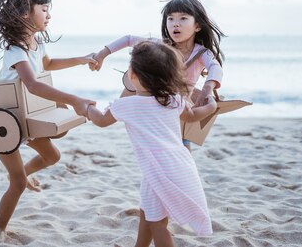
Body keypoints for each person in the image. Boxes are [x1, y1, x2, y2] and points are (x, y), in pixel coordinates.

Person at [76, 41, 215, 247]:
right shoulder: (173, 99)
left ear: (132, 76)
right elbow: (193, 115)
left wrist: (86, 108)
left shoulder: (127, 105)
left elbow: (101, 121)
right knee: (148, 210)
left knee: (158, 224)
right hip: (178, 163)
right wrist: (211, 105)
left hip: (158, 169)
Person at [0, 0, 96, 239]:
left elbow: (48, 63)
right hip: (4, 121)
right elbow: (33, 85)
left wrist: (81, 60)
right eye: (45, 9)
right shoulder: (15, 50)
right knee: (17, 185)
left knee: (52, 157)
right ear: (26, 12)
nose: (49, 15)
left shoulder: (37, 43)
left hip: (25, 116)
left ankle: (24, 174)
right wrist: (73, 99)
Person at [91, 0, 225, 149]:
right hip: (153, 103)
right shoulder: (161, 45)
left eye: (183, 18)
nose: (175, 23)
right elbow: (128, 39)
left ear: (198, 26)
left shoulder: (202, 53)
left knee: (182, 145)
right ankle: (96, 113)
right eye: (170, 18)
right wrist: (102, 54)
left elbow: (216, 68)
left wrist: (207, 90)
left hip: (177, 107)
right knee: (109, 116)